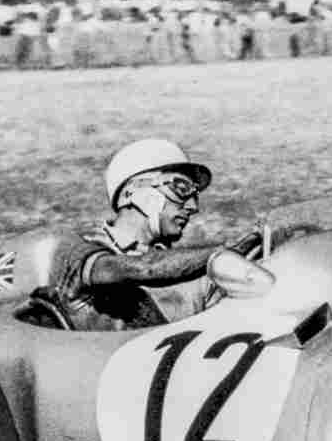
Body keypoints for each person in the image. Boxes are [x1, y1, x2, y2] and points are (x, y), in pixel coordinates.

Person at [48, 138, 256, 331]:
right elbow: (144, 268)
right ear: (131, 192)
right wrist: (228, 251)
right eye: (181, 188)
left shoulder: (198, 275)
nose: (193, 207)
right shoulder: (74, 249)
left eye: (195, 195)